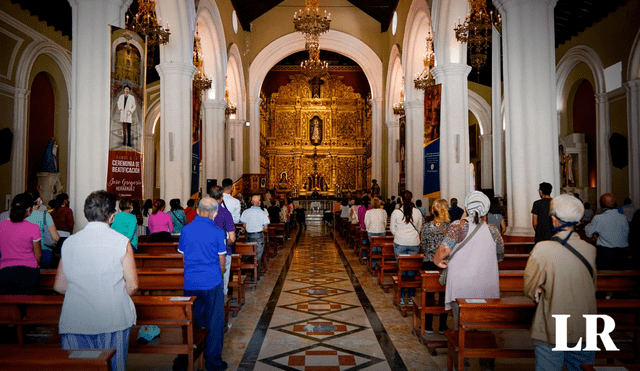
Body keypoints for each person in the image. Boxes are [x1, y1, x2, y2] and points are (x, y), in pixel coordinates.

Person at [54, 190, 138, 371]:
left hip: (76, 317)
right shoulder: (121, 242)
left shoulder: (69, 243)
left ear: (86, 213)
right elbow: (132, 285)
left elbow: (60, 286)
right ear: (112, 216)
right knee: (114, 366)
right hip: (113, 317)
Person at [524, 194, 596, 371]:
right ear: (578, 221)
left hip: (551, 325)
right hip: (585, 325)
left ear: (554, 220)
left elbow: (529, 288)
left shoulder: (543, 249)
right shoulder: (590, 250)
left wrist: (540, 289)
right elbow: (592, 285)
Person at [434, 191, 504, 371]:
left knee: (461, 325)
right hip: (485, 287)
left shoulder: (458, 227)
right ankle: (486, 363)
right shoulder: (493, 230)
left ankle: (462, 362)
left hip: (462, 287)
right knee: (485, 328)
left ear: (466, 207)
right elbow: (500, 255)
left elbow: (443, 250)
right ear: (485, 210)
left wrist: (437, 260)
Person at [173, 196, 227, 371]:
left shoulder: (186, 230)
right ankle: (213, 362)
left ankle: (186, 357)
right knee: (215, 322)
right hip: (212, 281)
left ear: (197, 211)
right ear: (215, 214)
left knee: (192, 321)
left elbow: (183, 256)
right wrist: (220, 272)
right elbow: (221, 260)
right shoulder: (218, 232)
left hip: (191, 281)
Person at [0, 193, 42, 294]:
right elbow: (38, 255)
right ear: (29, 210)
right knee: (28, 304)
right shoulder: (33, 227)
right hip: (28, 271)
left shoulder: (1, 226)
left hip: (5, 270)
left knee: (6, 307)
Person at [419, 198, 450, 334]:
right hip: (446, 263)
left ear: (432, 210)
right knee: (445, 294)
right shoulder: (451, 227)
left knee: (429, 293)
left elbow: (424, 245)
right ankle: (443, 326)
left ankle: (428, 326)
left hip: (429, 262)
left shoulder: (426, 226)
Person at [389, 190, 423, 306]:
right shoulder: (417, 212)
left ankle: (403, 298)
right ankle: (412, 297)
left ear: (401, 200)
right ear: (412, 199)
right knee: (412, 271)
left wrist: (400, 235)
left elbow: (393, 230)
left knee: (402, 271)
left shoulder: (396, 213)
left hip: (400, 242)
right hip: (414, 243)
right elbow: (419, 228)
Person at [585, 193, 629, 269]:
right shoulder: (623, 217)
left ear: (601, 205)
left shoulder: (599, 218)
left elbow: (588, 233)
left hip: (605, 254)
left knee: (604, 279)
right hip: (622, 254)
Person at [209, 186, 236, 297]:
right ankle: (221, 306)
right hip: (223, 252)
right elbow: (232, 238)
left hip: (207, 251)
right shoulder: (226, 213)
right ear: (221, 198)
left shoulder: (202, 212)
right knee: (223, 280)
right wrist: (225, 243)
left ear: (209, 197)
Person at [25, 190, 60, 269]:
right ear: (38, 201)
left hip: (25, 252)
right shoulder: (45, 215)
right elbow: (56, 237)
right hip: (44, 252)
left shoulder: (22, 215)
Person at [240, 195, 270, 279]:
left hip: (249, 235)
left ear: (251, 202)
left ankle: (244, 271)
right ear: (259, 203)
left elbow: (244, 225)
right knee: (258, 256)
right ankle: (255, 275)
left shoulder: (246, 212)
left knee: (248, 253)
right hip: (259, 236)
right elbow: (266, 227)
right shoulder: (263, 213)